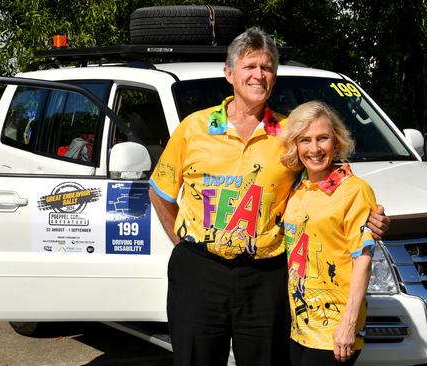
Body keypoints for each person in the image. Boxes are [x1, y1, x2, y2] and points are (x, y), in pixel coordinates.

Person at [148, 27, 389, 366]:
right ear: (229, 73)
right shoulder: (194, 129)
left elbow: (330, 180)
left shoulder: (291, 134)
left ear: (274, 77)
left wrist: (372, 216)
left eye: (267, 67)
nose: (258, 75)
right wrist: (184, 246)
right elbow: (159, 192)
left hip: (265, 278)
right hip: (199, 273)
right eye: (249, 66)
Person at [279, 101, 375, 366]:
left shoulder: (354, 189)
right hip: (299, 326)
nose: (315, 149)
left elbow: (363, 260)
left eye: (323, 138)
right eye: (305, 140)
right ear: (295, 145)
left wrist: (348, 324)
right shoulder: (296, 188)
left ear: (337, 141)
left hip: (334, 327)